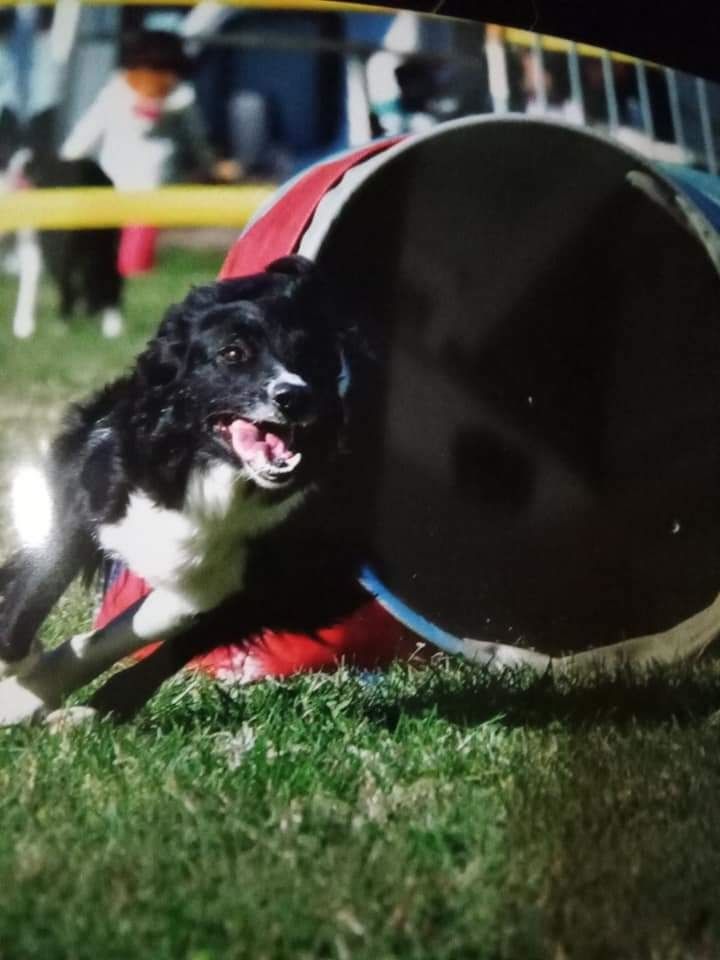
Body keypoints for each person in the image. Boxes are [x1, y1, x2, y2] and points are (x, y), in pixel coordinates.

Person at [60, 30, 237, 275]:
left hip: (154, 185)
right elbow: (88, 131)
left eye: (169, 74)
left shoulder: (181, 100)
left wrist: (212, 166)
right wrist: (65, 163)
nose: (161, 81)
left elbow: (197, 140)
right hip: (113, 180)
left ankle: (133, 270)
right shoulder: (115, 95)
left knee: (139, 235)